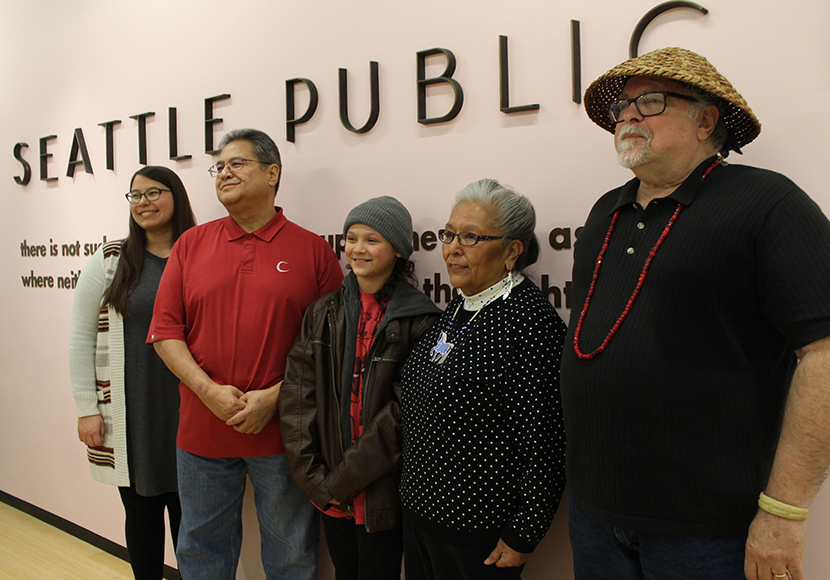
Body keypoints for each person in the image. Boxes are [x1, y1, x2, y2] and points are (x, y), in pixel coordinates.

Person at [561, 46, 830, 580]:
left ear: (705, 120)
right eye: (623, 106)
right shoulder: (604, 211)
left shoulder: (768, 203)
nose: (629, 115)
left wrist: (785, 512)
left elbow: (823, 356)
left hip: (707, 531)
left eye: (651, 101)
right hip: (595, 518)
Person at [148, 128, 343, 579]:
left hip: (284, 435)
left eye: (237, 163)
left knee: (291, 553)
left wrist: (274, 397)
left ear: (272, 173)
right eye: (219, 166)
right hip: (202, 432)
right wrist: (209, 392)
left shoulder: (313, 251)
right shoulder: (191, 245)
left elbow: (329, 345)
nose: (224, 173)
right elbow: (165, 333)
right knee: (200, 550)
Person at [399, 179, 567, 580]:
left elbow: (548, 440)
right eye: (449, 234)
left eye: (471, 237)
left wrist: (525, 533)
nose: (453, 248)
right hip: (421, 514)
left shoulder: (530, 323)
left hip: (476, 531)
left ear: (511, 251)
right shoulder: (461, 304)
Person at [280, 196, 441, 580]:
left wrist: (341, 482)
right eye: (351, 238)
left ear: (399, 250)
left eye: (372, 240)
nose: (357, 249)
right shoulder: (323, 312)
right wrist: (315, 480)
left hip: (383, 495)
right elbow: (297, 399)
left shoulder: (420, 320)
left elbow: (401, 418)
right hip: (328, 492)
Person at [69, 166, 196, 580]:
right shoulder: (111, 261)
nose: (143, 202)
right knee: (141, 518)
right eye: (135, 195)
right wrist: (87, 407)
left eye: (154, 192)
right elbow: (80, 339)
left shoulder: (198, 253)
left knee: (190, 520)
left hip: (191, 407)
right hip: (133, 413)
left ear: (175, 196)